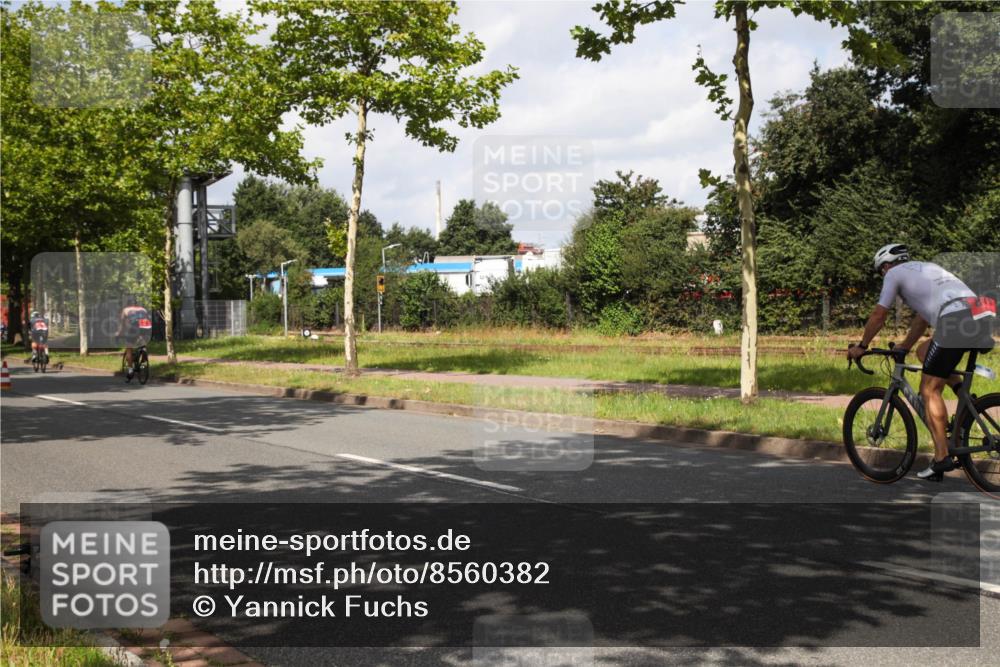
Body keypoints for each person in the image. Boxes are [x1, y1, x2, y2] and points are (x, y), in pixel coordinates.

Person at [847, 244, 996, 481]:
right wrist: (904, 347)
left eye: (881, 272)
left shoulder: (894, 274)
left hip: (955, 319)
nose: (883, 276)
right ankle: (964, 400)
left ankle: (941, 458)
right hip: (979, 313)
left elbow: (879, 315)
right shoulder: (927, 269)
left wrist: (862, 345)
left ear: (886, 266)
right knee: (924, 352)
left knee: (928, 389)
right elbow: (922, 320)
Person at [117, 303, 152, 379]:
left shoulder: (125, 310)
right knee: (143, 343)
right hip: (146, 326)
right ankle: (143, 353)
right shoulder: (143, 309)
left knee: (129, 348)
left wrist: (119, 334)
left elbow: (122, 325)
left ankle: (130, 370)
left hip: (134, 327)